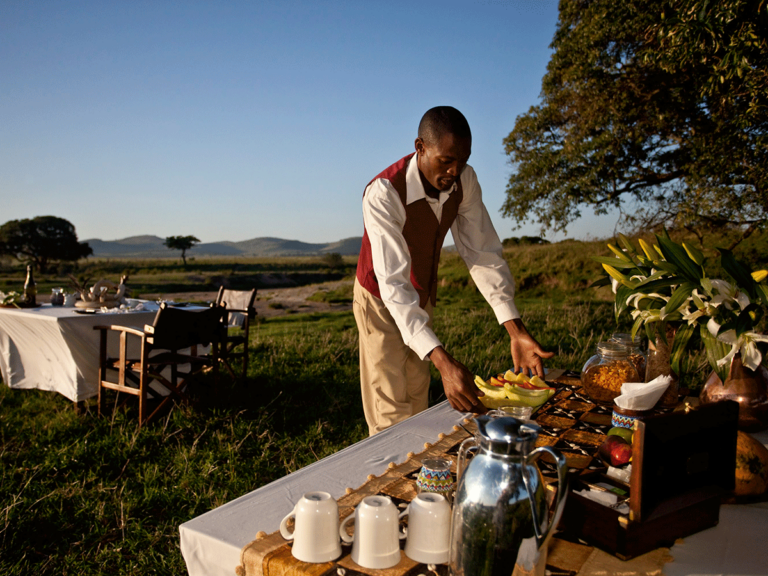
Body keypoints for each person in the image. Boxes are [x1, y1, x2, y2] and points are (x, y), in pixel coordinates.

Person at [353, 106, 553, 435]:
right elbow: (393, 285)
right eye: (445, 160)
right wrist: (444, 362)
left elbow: (482, 253)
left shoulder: (465, 181)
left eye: (462, 160)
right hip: (379, 296)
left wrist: (515, 329)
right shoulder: (384, 192)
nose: (454, 170)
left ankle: (419, 473)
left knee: (417, 395)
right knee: (390, 408)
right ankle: (390, 479)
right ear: (420, 147)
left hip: (420, 294)